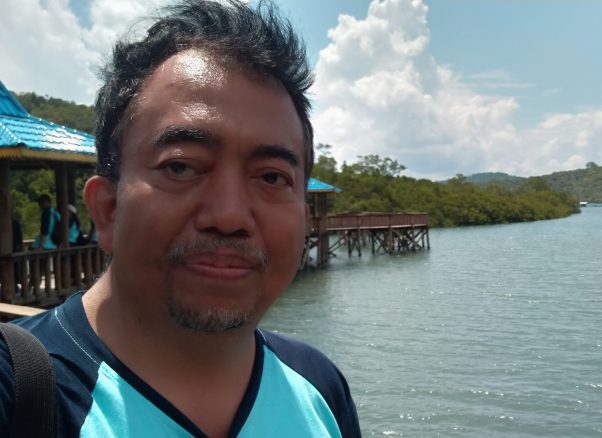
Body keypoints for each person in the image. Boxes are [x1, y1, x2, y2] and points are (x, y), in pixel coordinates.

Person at [0, 1, 360, 436]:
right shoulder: (18, 389)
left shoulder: (322, 388)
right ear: (107, 210)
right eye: (181, 167)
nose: (228, 216)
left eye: (271, 177)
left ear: (302, 222)